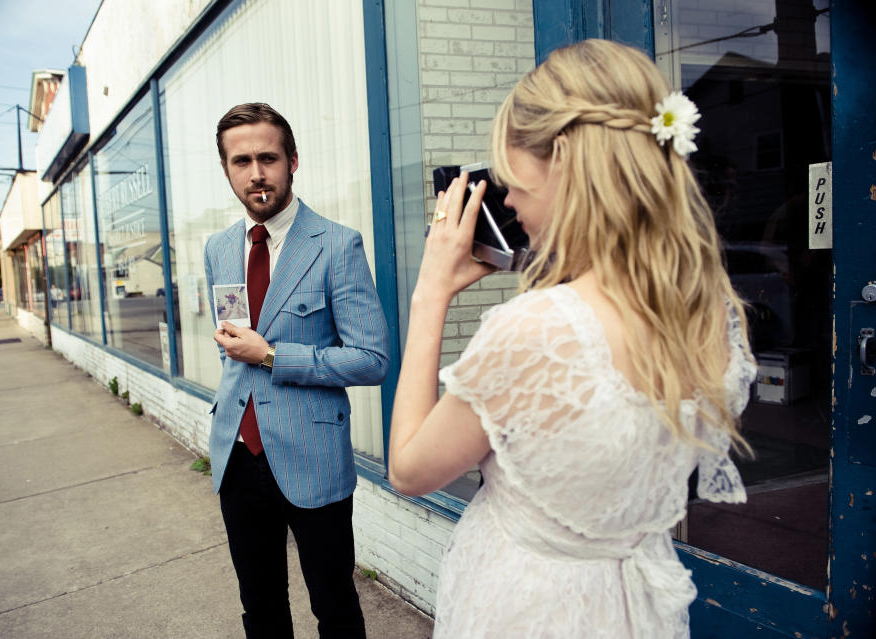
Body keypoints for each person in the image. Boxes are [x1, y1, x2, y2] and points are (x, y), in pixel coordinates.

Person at [388, 39, 757, 638]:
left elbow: (408, 469)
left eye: (517, 186)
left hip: (531, 609)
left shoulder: (538, 329)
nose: (506, 202)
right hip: (631, 607)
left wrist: (430, 296)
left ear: (566, 165)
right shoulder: (708, 310)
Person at [204, 102, 390, 639]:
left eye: (268, 158)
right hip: (237, 457)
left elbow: (372, 359)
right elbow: (229, 343)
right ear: (227, 170)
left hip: (311, 456)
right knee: (259, 608)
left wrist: (271, 355)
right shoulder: (219, 248)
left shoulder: (336, 244)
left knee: (334, 607)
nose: (256, 173)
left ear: (293, 162)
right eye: (242, 161)